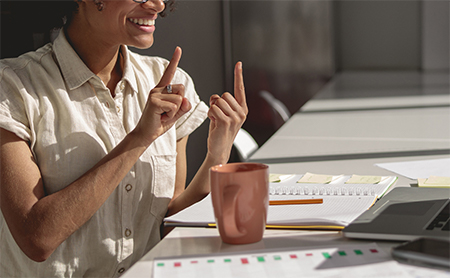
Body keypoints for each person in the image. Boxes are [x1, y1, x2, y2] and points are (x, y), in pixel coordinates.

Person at [0, 0, 247, 276]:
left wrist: (218, 156)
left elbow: (169, 225)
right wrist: (139, 138)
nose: (157, 5)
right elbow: (36, 240)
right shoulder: (12, 88)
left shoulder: (169, 81)